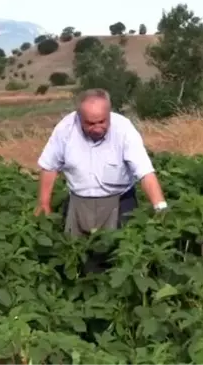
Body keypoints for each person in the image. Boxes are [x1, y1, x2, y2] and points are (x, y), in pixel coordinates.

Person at [34, 88, 168, 272]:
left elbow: (145, 171)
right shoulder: (65, 129)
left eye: (102, 121)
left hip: (119, 200)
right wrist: (43, 202)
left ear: (109, 114)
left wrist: (160, 207)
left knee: (121, 255)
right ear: (79, 117)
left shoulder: (124, 129)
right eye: (90, 123)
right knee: (77, 255)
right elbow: (49, 166)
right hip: (79, 201)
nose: (97, 127)